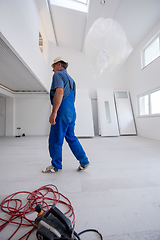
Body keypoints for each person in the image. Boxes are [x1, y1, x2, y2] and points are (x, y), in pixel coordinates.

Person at [42, 57, 90, 173]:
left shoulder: (58, 75)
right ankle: (84, 161)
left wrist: (54, 112)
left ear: (59, 65)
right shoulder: (72, 80)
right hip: (71, 112)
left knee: (55, 138)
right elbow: (72, 98)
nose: (53, 70)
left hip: (62, 111)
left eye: (53, 67)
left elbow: (59, 91)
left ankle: (56, 166)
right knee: (71, 137)